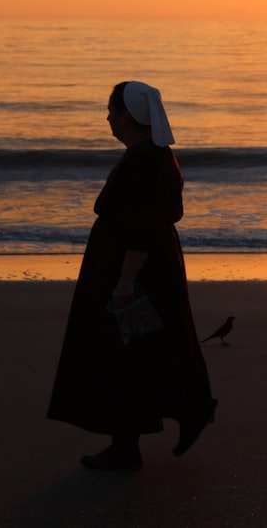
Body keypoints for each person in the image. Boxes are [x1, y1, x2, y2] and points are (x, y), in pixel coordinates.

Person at [48, 80, 216, 470]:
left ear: (127, 116)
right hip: (144, 269)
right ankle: (142, 436)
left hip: (136, 273)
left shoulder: (144, 161)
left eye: (111, 110)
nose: (107, 117)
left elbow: (145, 227)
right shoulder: (154, 155)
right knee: (139, 351)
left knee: (124, 352)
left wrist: (125, 282)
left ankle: (164, 425)